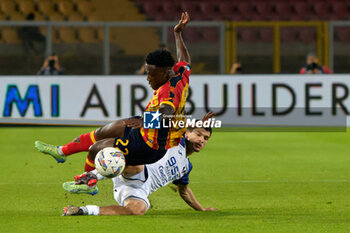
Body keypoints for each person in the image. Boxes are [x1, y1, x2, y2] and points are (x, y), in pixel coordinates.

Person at [35, 12, 192, 171]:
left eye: (151, 74)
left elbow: (166, 113)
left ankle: (87, 181)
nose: (148, 79)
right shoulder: (180, 73)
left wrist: (145, 121)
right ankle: (61, 152)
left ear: (165, 72)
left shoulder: (168, 92)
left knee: (96, 148)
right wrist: (177, 33)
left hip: (152, 145)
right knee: (105, 131)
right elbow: (185, 60)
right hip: (147, 132)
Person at [62, 114, 217, 216]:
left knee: (138, 210)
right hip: (133, 166)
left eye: (206, 138)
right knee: (137, 166)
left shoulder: (186, 167)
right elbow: (168, 119)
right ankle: (90, 177)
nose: (202, 140)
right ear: (187, 133)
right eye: (198, 134)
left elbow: (184, 191)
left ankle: (82, 210)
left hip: (136, 188)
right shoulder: (175, 138)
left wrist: (201, 208)